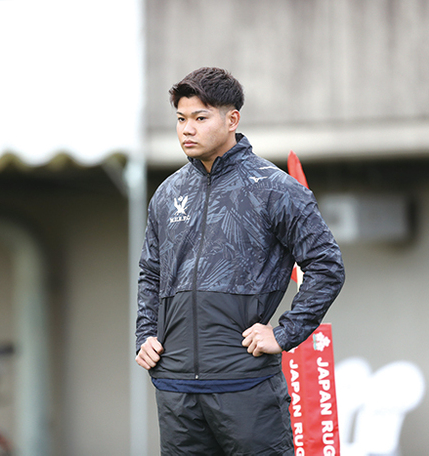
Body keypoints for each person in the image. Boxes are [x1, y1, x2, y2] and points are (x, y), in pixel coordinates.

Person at [135, 67, 345, 455]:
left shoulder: (275, 189)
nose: (187, 129)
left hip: (246, 387)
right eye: (181, 119)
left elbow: (326, 266)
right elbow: (151, 272)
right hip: (176, 390)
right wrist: (145, 333)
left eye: (200, 118)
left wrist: (284, 333)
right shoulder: (167, 194)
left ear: (232, 119)